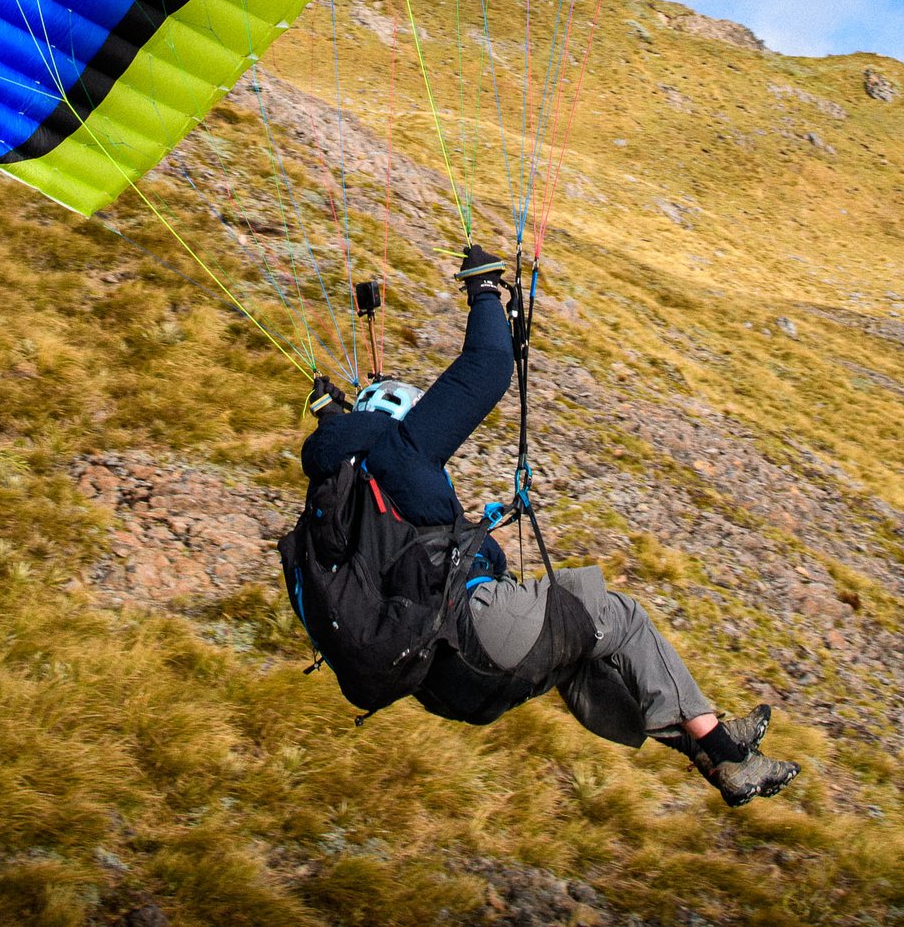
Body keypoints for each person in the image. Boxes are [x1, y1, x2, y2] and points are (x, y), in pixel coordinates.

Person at [295, 243, 801, 807]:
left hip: (443, 686)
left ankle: (711, 742)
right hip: (474, 635)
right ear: (398, 420)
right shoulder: (398, 455)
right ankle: (728, 760)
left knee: (583, 644)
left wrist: (334, 421)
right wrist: (485, 289)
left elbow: (350, 462)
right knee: (620, 616)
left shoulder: (332, 507)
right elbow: (485, 368)